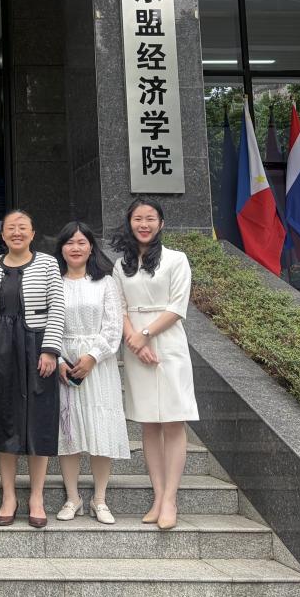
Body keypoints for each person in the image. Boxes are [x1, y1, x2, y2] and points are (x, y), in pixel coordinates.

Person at [0, 209, 64, 529]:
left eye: (22, 227)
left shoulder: (48, 264)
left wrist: (50, 350)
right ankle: (8, 496)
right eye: (10, 228)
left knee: (38, 420)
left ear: (33, 233)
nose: (16, 232)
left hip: (35, 347)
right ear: (2, 235)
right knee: (3, 419)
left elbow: (57, 307)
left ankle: (36, 496)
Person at [111, 197, 196, 531]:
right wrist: (133, 339)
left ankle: (171, 499)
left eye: (150, 218)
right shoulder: (121, 265)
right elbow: (117, 307)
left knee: (173, 421)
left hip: (168, 343)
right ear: (129, 222)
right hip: (135, 345)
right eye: (138, 218)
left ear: (161, 223)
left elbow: (177, 307)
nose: (143, 224)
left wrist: (145, 335)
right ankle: (158, 496)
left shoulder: (177, 259)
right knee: (148, 423)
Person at [52, 221, 130, 526]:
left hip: (99, 365)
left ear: (91, 247)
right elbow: (46, 325)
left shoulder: (106, 282)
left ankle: (100, 498)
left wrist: (92, 357)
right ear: (61, 248)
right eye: (69, 242)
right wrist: (59, 359)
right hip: (64, 364)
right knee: (68, 431)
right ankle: (73, 498)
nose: (75, 248)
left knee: (100, 428)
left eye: (81, 242)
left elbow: (113, 326)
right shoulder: (53, 282)